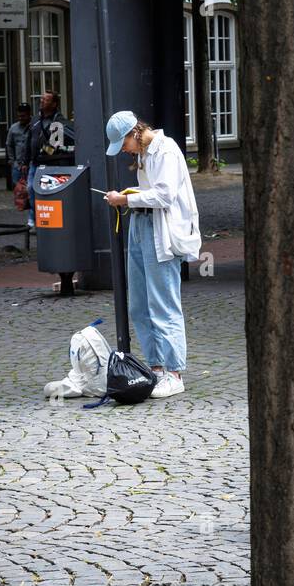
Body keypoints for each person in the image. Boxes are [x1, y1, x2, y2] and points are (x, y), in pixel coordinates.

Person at [103, 110, 201, 399]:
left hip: (162, 231)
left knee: (163, 304)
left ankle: (174, 372)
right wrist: (129, 198)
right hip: (142, 225)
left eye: (123, 144)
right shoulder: (144, 153)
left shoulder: (166, 150)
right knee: (140, 305)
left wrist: (126, 198)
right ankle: (156, 368)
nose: (123, 151)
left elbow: (164, 195)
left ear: (135, 133)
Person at [26, 92, 75, 228]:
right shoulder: (35, 119)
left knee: (44, 191)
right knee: (30, 189)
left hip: (49, 164)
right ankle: (34, 215)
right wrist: (25, 160)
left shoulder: (58, 121)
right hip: (34, 161)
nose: (41, 101)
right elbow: (29, 140)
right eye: (41, 99)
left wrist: (46, 150)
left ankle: (40, 219)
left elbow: (55, 146)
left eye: (46, 100)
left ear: (54, 104)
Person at [5, 102, 32, 211]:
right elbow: (9, 144)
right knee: (17, 186)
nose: (21, 118)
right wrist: (12, 160)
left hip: (30, 163)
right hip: (18, 163)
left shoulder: (34, 126)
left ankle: (30, 204)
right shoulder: (13, 128)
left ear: (29, 114)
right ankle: (22, 204)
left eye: (23, 116)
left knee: (30, 186)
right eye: (19, 116)